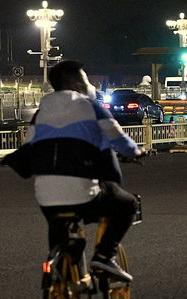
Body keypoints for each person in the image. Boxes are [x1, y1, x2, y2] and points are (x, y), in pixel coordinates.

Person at [19, 60, 142, 282]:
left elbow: (30, 147)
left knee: (57, 220)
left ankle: (63, 274)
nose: (89, 86)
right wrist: (135, 152)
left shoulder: (40, 113)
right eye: (86, 81)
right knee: (128, 204)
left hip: (45, 195)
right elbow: (118, 138)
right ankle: (104, 256)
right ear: (76, 84)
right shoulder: (90, 106)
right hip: (83, 193)